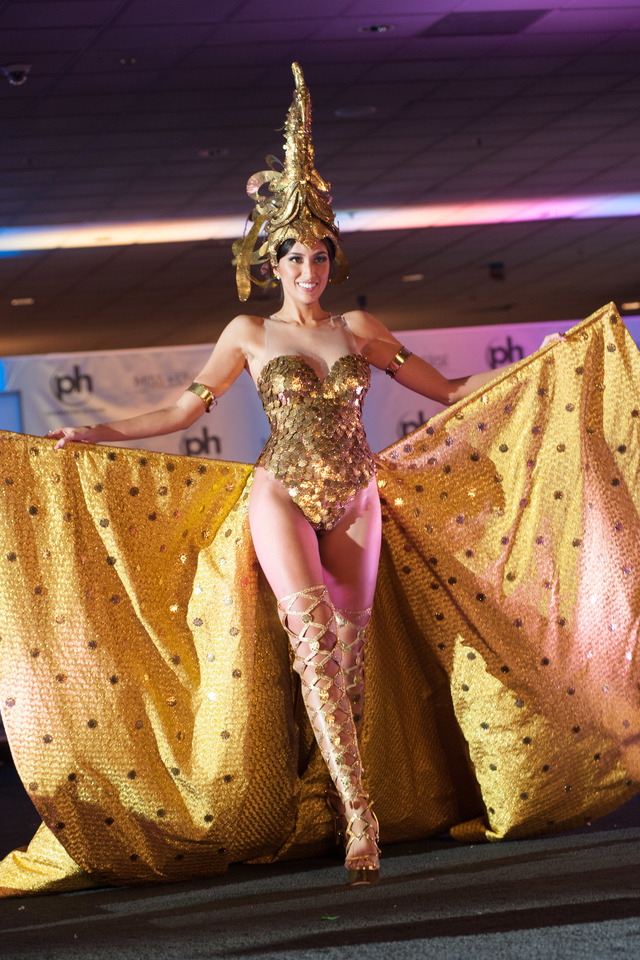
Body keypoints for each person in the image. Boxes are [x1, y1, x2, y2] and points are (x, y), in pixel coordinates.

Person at [45, 64, 561, 886]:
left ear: (331, 261)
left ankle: (328, 796)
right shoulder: (248, 333)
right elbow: (180, 412)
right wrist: (99, 428)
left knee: (349, 659)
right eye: (296, 258)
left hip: (356, 491)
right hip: (282, 489)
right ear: (273, 262)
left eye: (321, 256)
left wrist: (542, 364)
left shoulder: (359, 327)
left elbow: (449, 390)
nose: (311, 270)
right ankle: (362, 823)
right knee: (314, 645)